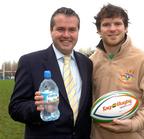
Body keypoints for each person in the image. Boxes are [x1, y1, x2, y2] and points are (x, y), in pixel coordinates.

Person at [8, 7, 93, 139]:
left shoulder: (87, 63)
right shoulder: (30, 62)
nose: (66, 35)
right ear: (51, 31)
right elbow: (15, 108)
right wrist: (38, 108)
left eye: (72, 29)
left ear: (78, 31)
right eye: (60, 29)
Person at [90, 3, 144, 139]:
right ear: (98, 30)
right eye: (106, 24)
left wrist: (134, 123)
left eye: (117, 23)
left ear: (126, 28)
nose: (112, 29)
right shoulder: (90, 62)